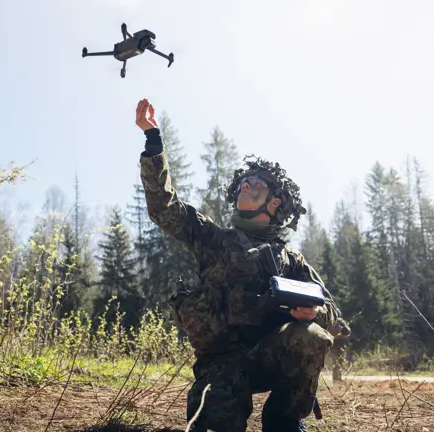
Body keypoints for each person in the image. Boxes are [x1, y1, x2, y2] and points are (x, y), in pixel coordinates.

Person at [134, 98, 350, 432]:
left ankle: (284, 421)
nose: (246, 185)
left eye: (257, 184)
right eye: (243, 183)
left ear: (274, 203)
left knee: (313, 335)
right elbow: (164, 207)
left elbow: (333, 313)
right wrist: (153, 141)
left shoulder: (290, 259)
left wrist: (313, 313)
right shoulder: (213, 239)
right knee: (214, 422)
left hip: (270, 356)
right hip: (221, 365)